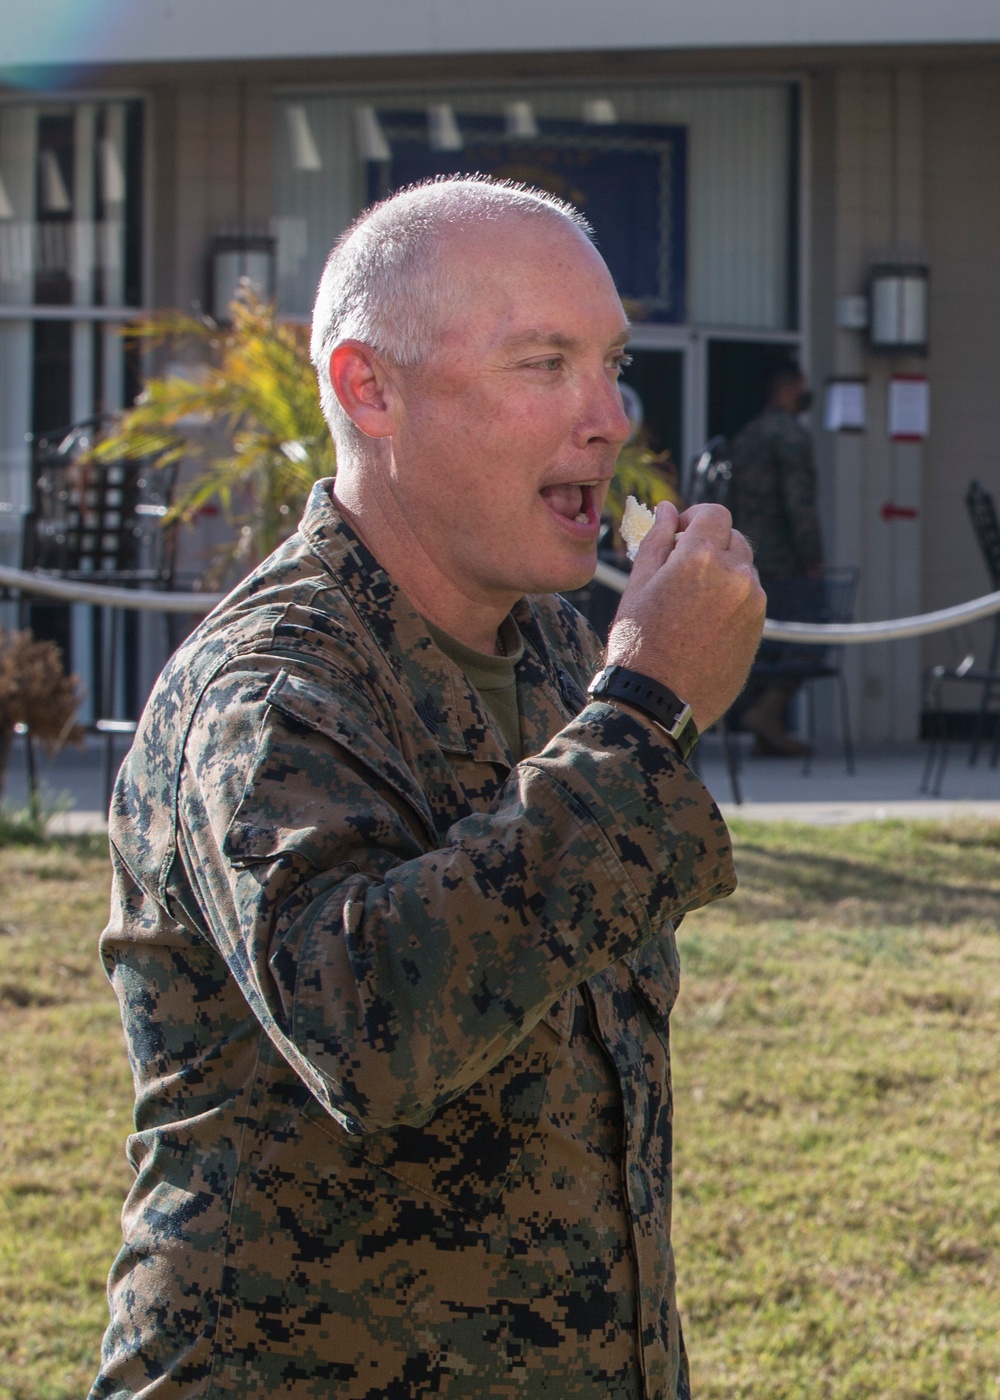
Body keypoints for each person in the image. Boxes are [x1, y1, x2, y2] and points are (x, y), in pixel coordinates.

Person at [91, 177, 764, 1400]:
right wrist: (649, 709)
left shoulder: (561, 650)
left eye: (610, 363)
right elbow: (368, 1031)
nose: (607, 416)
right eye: (541, 363)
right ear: (370, 388)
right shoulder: (269, 685)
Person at [725, 360, 824, 757]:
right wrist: (813, 558)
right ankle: (767, 715)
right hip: (784, 561)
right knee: (811, 638)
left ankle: (768, 736)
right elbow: (799, 504)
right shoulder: (790, 436)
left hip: (749, 557)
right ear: (791, 387)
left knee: (760, 645)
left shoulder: (747, 436)